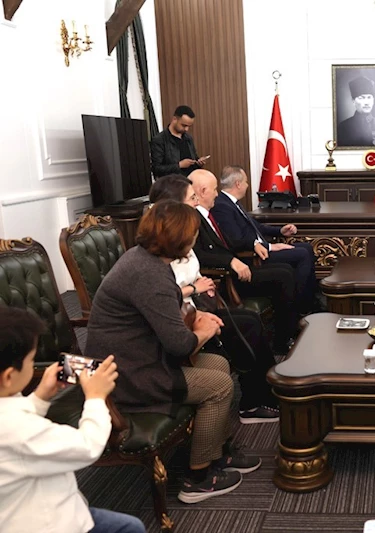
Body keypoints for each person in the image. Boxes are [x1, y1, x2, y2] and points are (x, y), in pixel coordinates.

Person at [84, 201, 260, 504]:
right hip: (127, 375)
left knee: (218, 364)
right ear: (181, 239)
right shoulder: (149, 273)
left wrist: (198, 318)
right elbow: (179, 344)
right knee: (219, 386)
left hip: (137, 357)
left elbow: (166, 309)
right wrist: (204, 331)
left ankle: (216, 452)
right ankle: (199, 477)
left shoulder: (145, 260)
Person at [0, 306, 146, 533]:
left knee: (129, 526)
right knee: (130, 528)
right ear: (9, 376)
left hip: (21, 507)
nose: (33, 365)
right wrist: (95, 397)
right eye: (31, 360)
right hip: (45, 523)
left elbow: (15, 419)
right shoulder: (18, 429)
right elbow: (87, 446)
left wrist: (40, 397)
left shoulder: (10, 416)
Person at [149, 175, 280, 424]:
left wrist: (200, 286)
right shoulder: (157, 248)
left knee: (249, 320)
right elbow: (162, 294)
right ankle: (253, 403)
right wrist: (193, 289)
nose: (196, 202)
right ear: (172, 206)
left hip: (193, 309)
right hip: (178, 321)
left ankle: (268, 392)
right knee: (245, 326)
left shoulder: (182, 235)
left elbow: (191, 271)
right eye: (192, 198)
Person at [190, 169, 299, 353]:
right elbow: (200, 255)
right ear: (202, 191)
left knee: (285, 271)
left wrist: (253, 245)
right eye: (214, 189)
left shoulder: (209, 214)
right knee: (283, 275)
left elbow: (231, 240)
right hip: (225, 277)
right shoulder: (194, 218)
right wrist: (231, 261)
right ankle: (283, 341)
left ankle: (289, 333)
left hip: (238, 266)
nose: (217, 193)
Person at [210, 166, 319, 315]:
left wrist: (280, 231)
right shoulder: (222, 206)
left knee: (306, 248)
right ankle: (302, 306)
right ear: (238, 184)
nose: (247, 185)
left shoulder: (233, 202)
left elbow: (256, 227)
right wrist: (269, 246)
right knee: (302, 254)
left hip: (261, 249)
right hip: (254, 256)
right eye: (246, 182)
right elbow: (235, 239)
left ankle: (310, 301)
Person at [150, 105, 207, 178]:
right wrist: (179, 165)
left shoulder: (188, 138)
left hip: (191, 180)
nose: (186, 129)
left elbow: (194, 158)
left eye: (189, 126)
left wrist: (198, 163)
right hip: (172, 182)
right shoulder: (159, 140)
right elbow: (156, 169)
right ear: (174, 119)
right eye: (184, 125)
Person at [336, 76, 375, 147]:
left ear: (373, 100)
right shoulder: (343, 127)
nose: (366, 103)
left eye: (369, 97)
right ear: (353, 101)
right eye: (361, 98)